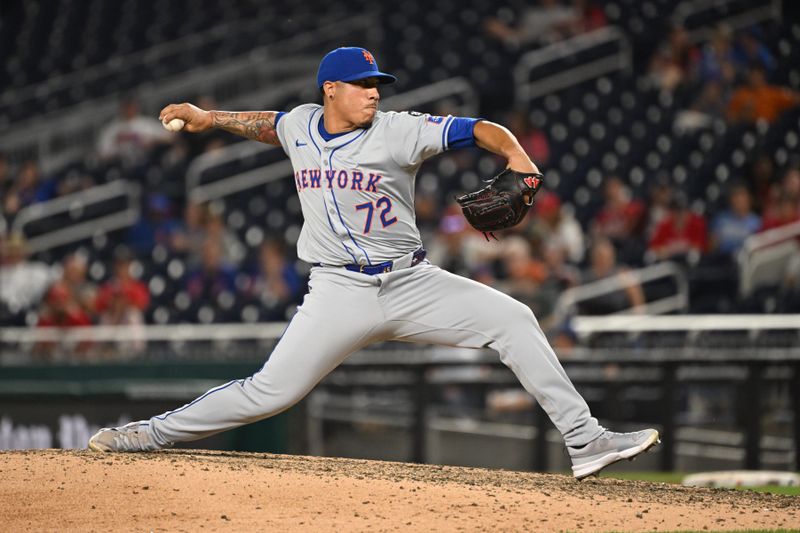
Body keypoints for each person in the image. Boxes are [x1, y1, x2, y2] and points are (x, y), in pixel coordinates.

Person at [88, 46, 658, 479]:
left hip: (412, 282)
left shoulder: (399, 131)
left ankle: (584, 440)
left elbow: (477, 129)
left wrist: (516, 152)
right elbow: (269, 125)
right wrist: (210, 118)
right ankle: (148, 435)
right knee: (271, 393)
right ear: (329, 90)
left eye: (377, 83)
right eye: (362, 85)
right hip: (339, 291)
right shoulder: (299, 126)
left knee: (514, 319)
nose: (374, 92)